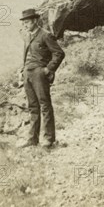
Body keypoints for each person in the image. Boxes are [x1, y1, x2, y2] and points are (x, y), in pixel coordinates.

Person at [18, 8, 65, 148]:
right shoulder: (27, 36)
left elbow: (59, 53)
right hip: (28, 74)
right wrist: (22, 70)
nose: (25, 25)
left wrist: (48, 69)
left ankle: (49, 139)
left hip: (39, 73)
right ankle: (32, 139)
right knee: (32, 107)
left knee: (45, 105)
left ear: (35, 21)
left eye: (27, 22)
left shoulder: (45, 35)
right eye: (24, 23)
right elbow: (27, 55)